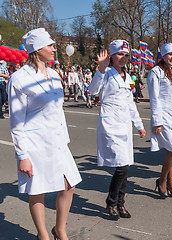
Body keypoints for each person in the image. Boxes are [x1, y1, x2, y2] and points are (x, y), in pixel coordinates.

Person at [7, 28, 82, 240]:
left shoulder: (55, 75)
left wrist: (64, 139)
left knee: (69, 183)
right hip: (35, 144)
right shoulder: (19, 79)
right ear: (37, 49)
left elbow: (58, 111)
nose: (53, 49)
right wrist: (23, 156)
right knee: (37, 189)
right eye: (49, 45)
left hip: (57, 141)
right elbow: (16, 121)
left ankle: (60, 229)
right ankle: (43, 234)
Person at [88, 40, 146, 219]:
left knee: (126, 165)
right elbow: (92, 91)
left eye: (126, 55)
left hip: (124, 125)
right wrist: (100, 69)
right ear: (111, 56)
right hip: (110, 125)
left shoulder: (127, 77)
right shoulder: (104, 73)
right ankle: (112, 203)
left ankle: (120, 203)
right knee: (122, 166)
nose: (123, 58)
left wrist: (139, 124)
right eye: (120, 54)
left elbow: (130, 103)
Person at [147, 43, 172, 198]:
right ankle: (162, 181)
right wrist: (157, 121)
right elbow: (154, 98)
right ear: (163, 56)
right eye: (170, 54)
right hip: (163, 118)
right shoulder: (155, 72)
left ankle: (171, 184)